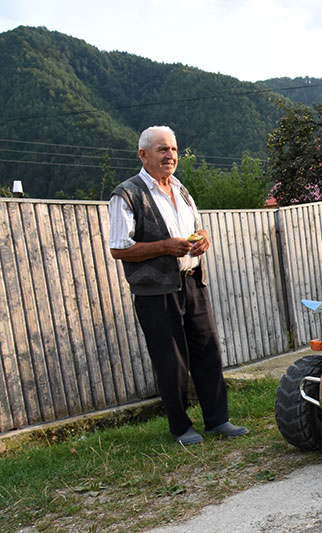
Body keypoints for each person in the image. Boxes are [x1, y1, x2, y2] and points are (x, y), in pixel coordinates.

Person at [108, 125, 248, 446]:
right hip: (155, 291)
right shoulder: (127, 194)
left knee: (207, 350)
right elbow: (119, 249)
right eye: (162, 150)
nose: (170, 155)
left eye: (173, 149)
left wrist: (203, 242)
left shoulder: (181, 189)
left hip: (192, 281)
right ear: (143, 155)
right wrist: (164, 247)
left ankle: (217, 420)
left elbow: (197, 229)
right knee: (171, 360)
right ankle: (182, 428)